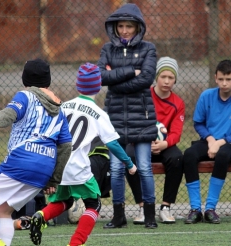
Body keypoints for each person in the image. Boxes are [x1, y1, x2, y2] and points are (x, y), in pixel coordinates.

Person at [29, 63, 136, 246]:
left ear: (78, 86)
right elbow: (112, 145)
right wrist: (129, 163)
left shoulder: (62, 106)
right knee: (93, 204)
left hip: (58, 165)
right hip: (78, 167)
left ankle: (41, 216)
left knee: (66, 200)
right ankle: (75, 245)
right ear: (98, 86)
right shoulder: (99, 114)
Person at [0, 58, 72, 246]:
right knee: (4, 211)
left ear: (26, 79)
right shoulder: (59, 109)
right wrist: (53, 179)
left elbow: (8, 113)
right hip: (44, 168)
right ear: (48, 81)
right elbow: (66, 147)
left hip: (22, 160)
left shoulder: (25, 96)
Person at [97, 3, 158, 229]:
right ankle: (118, 216)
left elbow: (147, 79)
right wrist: (132, 71)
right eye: (120, 26)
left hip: (142, 117)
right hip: (114, 118)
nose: (124, 30)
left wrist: (116, 78)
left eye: (129, 26)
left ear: (137, 27)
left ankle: (150, 216)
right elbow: (101, 77)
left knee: (143, 167)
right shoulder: (107, 49)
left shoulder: (149, 48)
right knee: (117, 169)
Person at [125, 57, 185, 224]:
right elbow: (132, 122)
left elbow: (176, 132)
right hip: (141, 142)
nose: (166, 81)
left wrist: (165, 143)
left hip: (164, 145)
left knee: (177, 157)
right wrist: (144, 141)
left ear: (175, 80)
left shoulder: (178, 103)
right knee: (129, 157)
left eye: (171, 78)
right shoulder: (143, 96)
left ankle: (165, 207)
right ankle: (143, 206)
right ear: (156, 77)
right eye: (163, 76)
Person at [183, 59, 231, 224]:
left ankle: (210, 209)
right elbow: (198, 123)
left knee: (223, 156)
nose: (224, 83)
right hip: (208, 140)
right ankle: (195, 209)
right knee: (188, 155)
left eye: (229, 79)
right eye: (221, 79)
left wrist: (219, 143)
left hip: (228, 144)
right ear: (216, 78)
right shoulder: (206, 96)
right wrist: (211, 140)